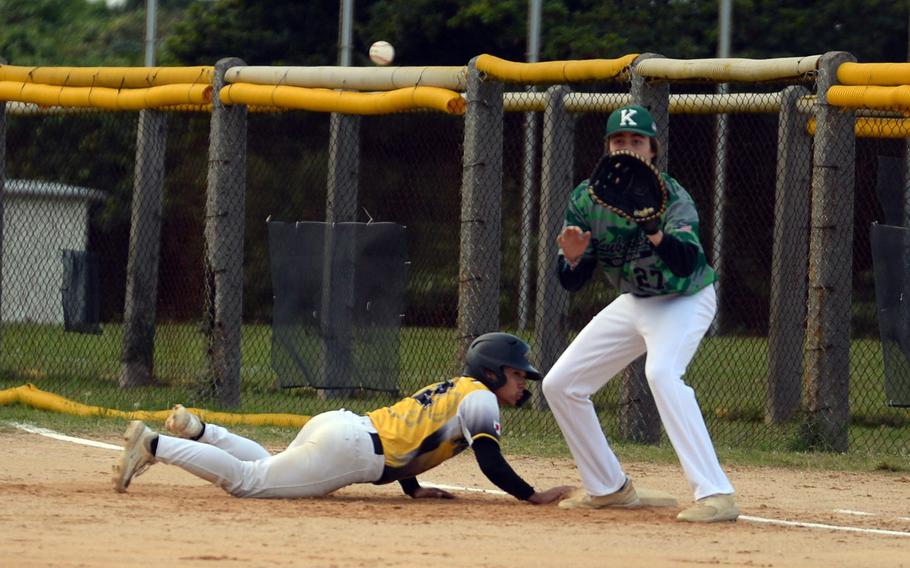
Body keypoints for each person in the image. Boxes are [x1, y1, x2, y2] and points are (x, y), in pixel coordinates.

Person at [541, 104, 739, 522]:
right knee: (561, 384)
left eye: (636, 141)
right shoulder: (587, 198)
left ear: (652, 149)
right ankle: (609, 488)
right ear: (607, 148)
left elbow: (687, 264)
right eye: (618, 140)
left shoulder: (671, 196)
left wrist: (654, 228)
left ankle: (716, 493)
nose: (626, 147)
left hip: (685, 298)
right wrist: (574, 259)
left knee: (662, 374)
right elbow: (572, 282)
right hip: (635, 301)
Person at [112, 332, 573, 505]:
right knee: (249, 482)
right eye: (517, 375)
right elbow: (490, 462)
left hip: (342, 427)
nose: (523, 385)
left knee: (270, 464)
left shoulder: (459, 388)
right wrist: (532, 495)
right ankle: (155, 444)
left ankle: (200, 431)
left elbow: (409, 437)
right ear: (492, 371)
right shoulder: (483, 400)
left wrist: (413, 488)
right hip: (352, 450)